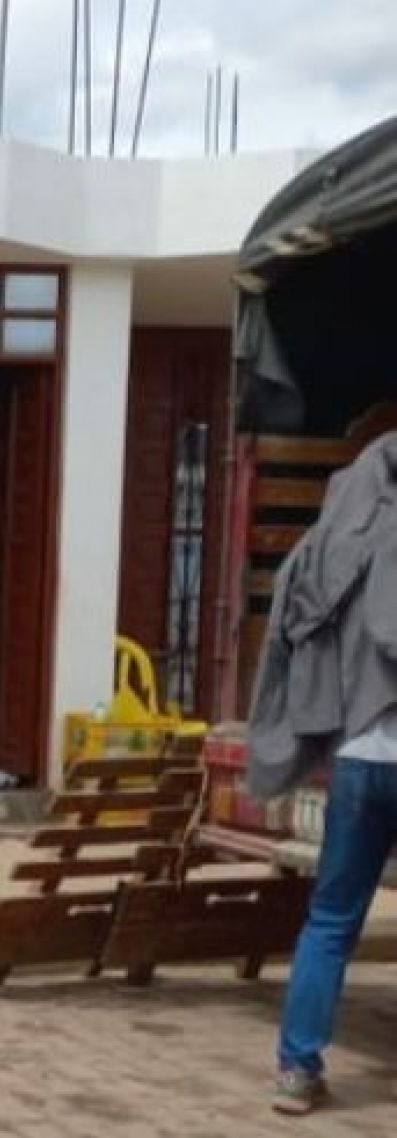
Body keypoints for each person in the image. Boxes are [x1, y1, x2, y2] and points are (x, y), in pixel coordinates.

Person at [247, 432, 397, 1116]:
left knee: (331, 921)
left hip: (359, 758)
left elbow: (292, 630)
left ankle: (297, 1070)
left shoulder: (332, 544)